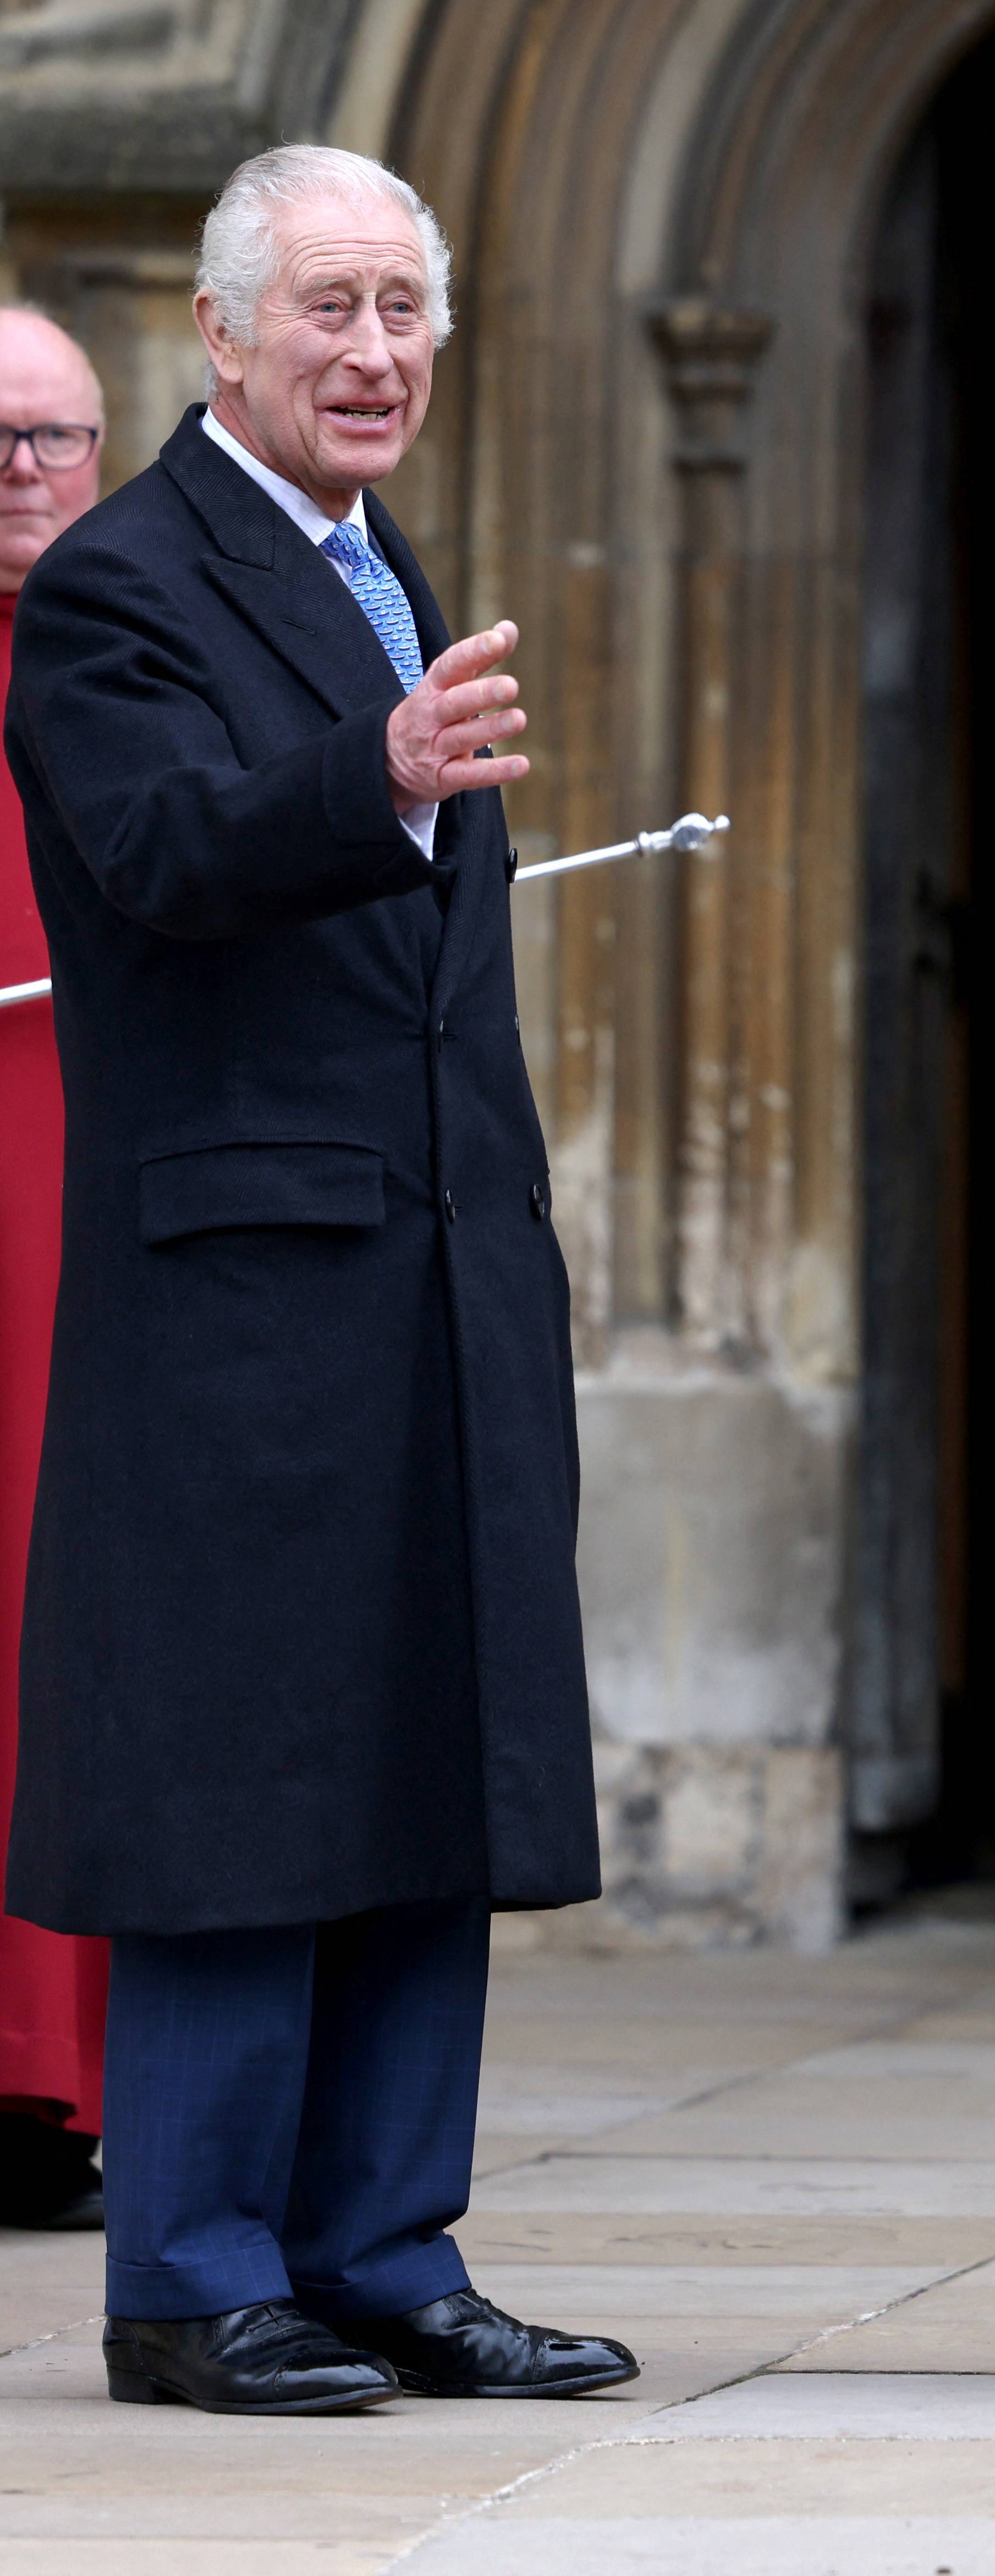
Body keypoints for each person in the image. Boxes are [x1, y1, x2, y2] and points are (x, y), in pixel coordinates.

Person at [4, 145, 636, 2417]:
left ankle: (388, 2249)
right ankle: (190, 2271)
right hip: (239, 1301)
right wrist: (368, 771)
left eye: (406, 312)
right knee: (244, 1782)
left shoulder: (388, 566)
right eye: (333, 312)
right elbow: (163, 851)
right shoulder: (123, 585)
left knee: (420, 1772)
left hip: (437, 1276)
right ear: (226, 335)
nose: (376, 354)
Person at [0, 308, 110, 2231]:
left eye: (51, 437)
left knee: (64, 1595)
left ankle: (56, 2085)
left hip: (90, 1177)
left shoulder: (137, 649)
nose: (22, 469)